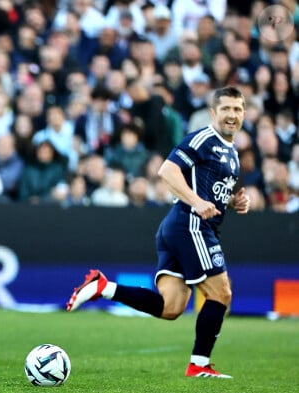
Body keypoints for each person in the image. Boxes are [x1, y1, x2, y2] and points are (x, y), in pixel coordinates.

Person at [66, 86, 251, 379]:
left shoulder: (231, 151)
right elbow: (167, 171)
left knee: (171, 307)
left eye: (237, 109)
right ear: (213, 113)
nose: (232, 115)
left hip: (177, 227)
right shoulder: (204, 138)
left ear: (244, 114)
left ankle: (103, 287)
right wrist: (197, 202)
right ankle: (199, 365)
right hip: (190, 225)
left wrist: (232, 200)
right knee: (221, 293)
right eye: (226, 109)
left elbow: (210, 191)